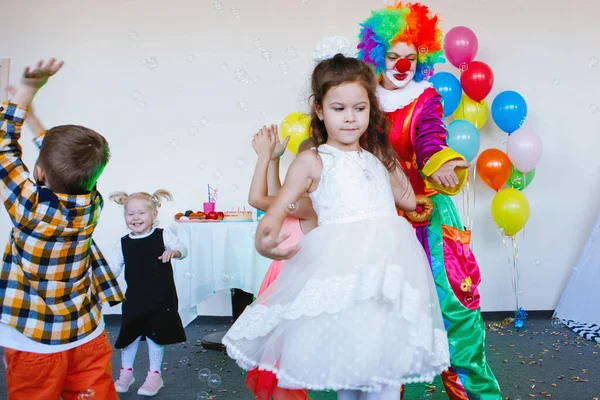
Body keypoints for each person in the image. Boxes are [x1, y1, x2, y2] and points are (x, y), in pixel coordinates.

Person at [223, 54, 450, 400]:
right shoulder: (312, 161)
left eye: (360, 109)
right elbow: (273, 211)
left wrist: (388, 153)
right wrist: (263, 241)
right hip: (341, 278)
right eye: (339, 108)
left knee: (382, 373)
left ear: (371, 110)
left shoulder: (375, 159)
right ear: (319, 109)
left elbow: (406, 198)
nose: (350, 118)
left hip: (384, 275)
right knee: (350, 371)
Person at [357, 4, 502, 399]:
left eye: (411, 57)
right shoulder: (361, 101)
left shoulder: (426, 98)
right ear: (375, 55)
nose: (402, 66)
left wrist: (439, 163)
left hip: (429, 216)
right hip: (379, 218)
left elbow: (430, 139)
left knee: (455, 311)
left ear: (422, 59)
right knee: (387, 318)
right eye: (392, 56)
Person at [0, 59, 123, 399]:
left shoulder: (29, 208)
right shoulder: (91, 203)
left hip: (32, 338)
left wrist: (26, 91)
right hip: (86, 330)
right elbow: (62, 161)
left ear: (38, 172)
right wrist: (32, 112)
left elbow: (4, 149)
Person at [246, 125, 317, 400]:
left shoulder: (312, 205)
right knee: (274, 358)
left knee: (284, 363)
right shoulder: (298, 201)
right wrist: (275, 159)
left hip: (291, 290)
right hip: (278, 285)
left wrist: (262, 156)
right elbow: (277, 194)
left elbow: (257, 199)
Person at [109, 190, 188, 396]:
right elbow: (114, 268)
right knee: (129, 336)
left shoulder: (162, 235)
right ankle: (126, 373)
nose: (136, 218)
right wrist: (102, 281)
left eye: (142, 213)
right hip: (135, 298)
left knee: (155, 336)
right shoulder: (123, 243)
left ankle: (154, 375)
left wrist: (174, 252)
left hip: (160, 298)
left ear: (154, 215)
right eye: (130, 214)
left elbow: (182, 248)